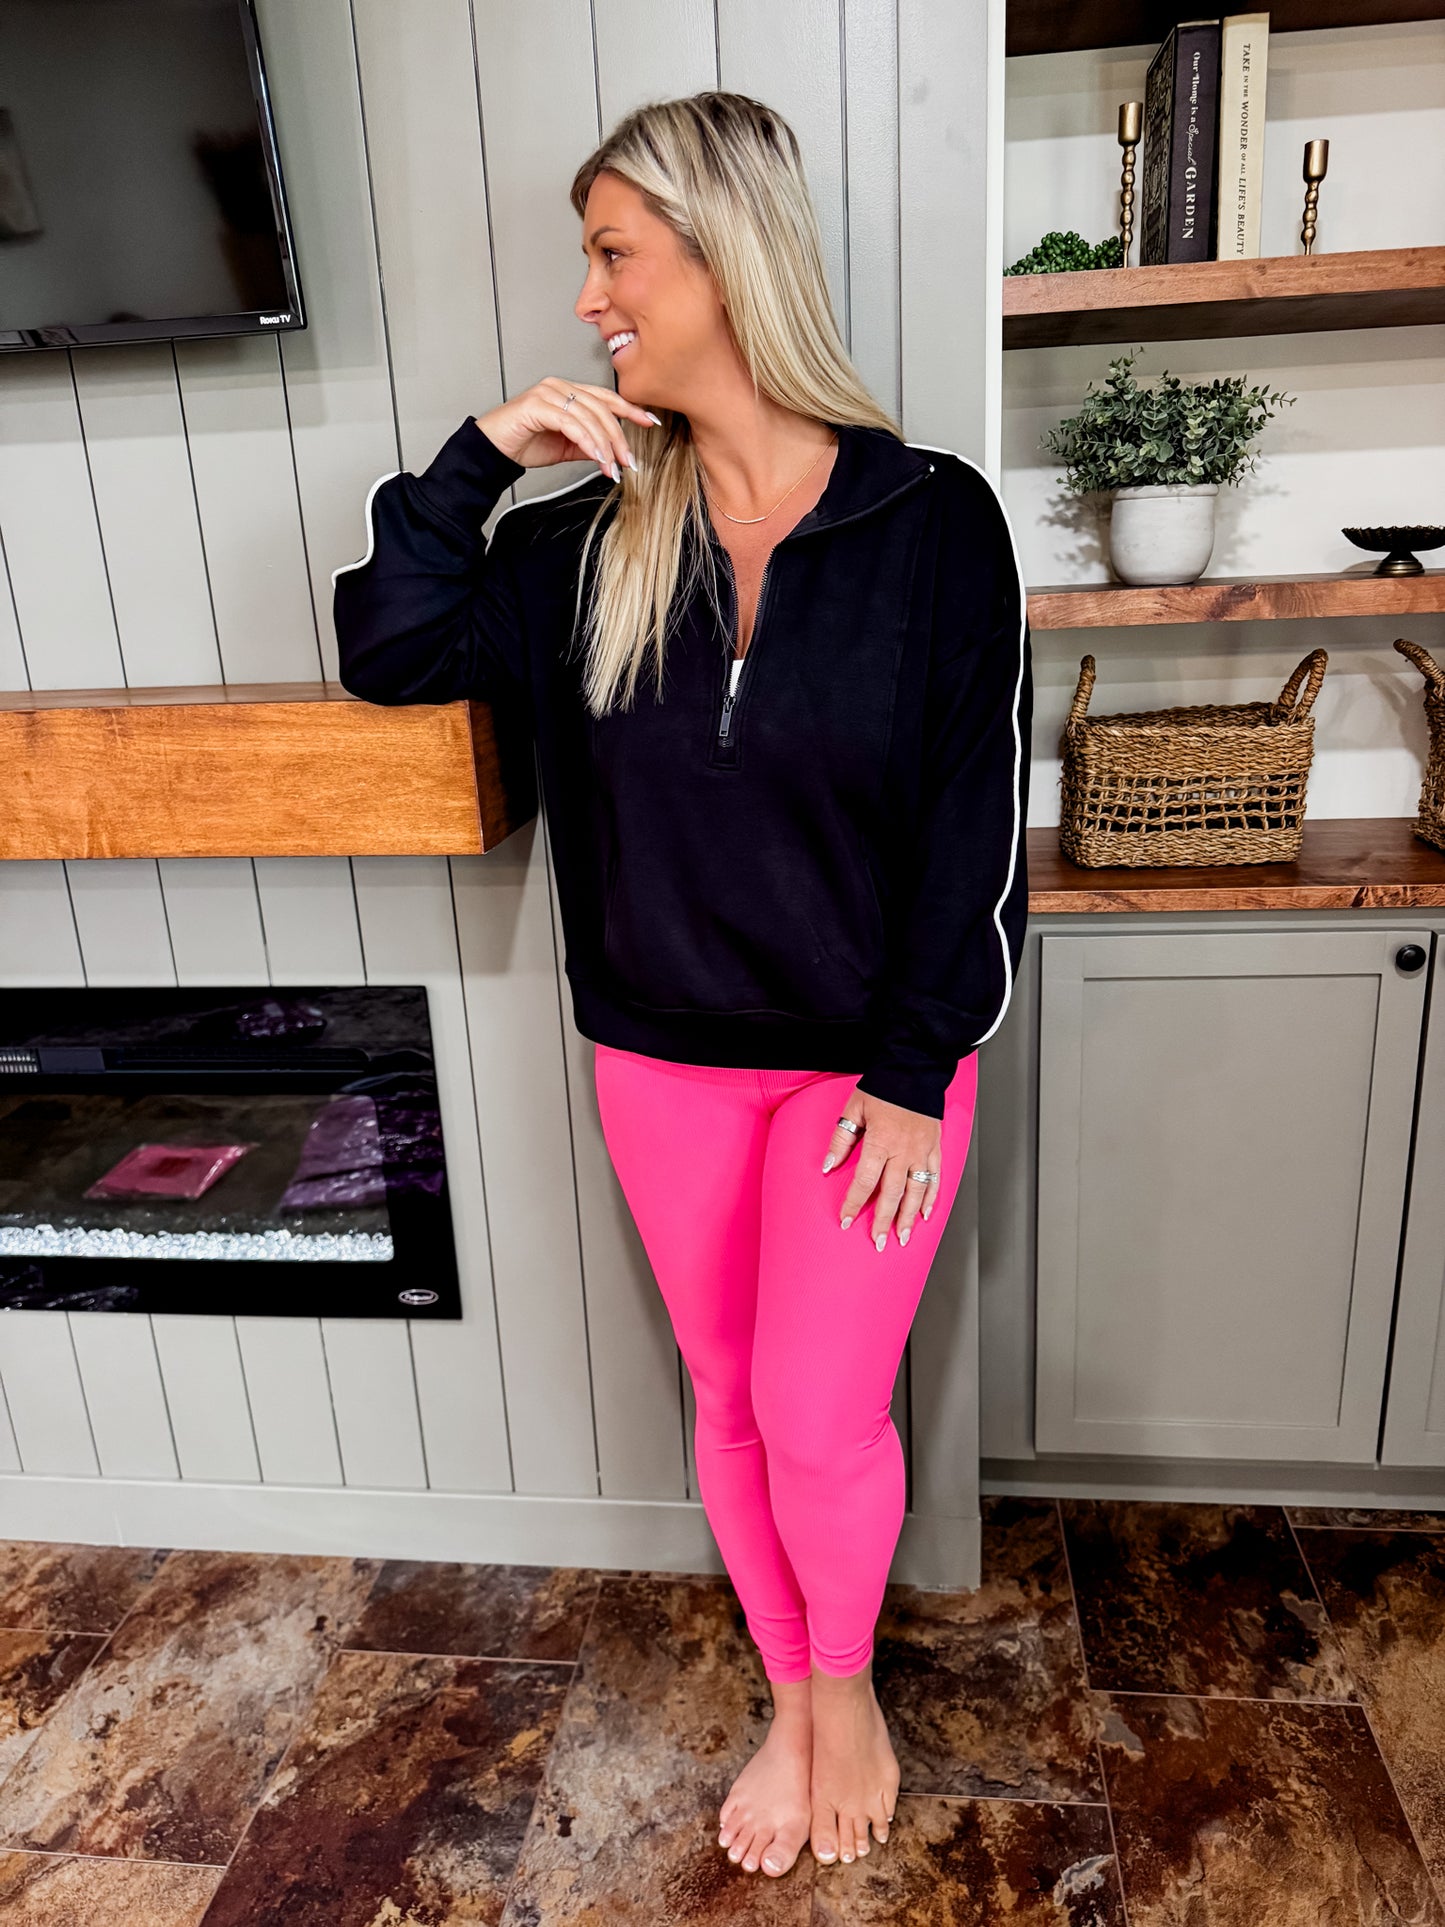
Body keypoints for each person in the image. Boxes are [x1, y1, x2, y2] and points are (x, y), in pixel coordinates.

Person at [333, 90, 1031, 1885]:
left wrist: (911, 1068)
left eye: (613, 254)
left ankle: (845, 1697)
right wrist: (482, 458)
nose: (590, 300)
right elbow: (387, 649)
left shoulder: (931, 521)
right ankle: (794, 1699)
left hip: (868, 1074)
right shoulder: (578, 545)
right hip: (660, 1059)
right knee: (727, 1400)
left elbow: (973, 823)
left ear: (724, 259)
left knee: (819, 1411)